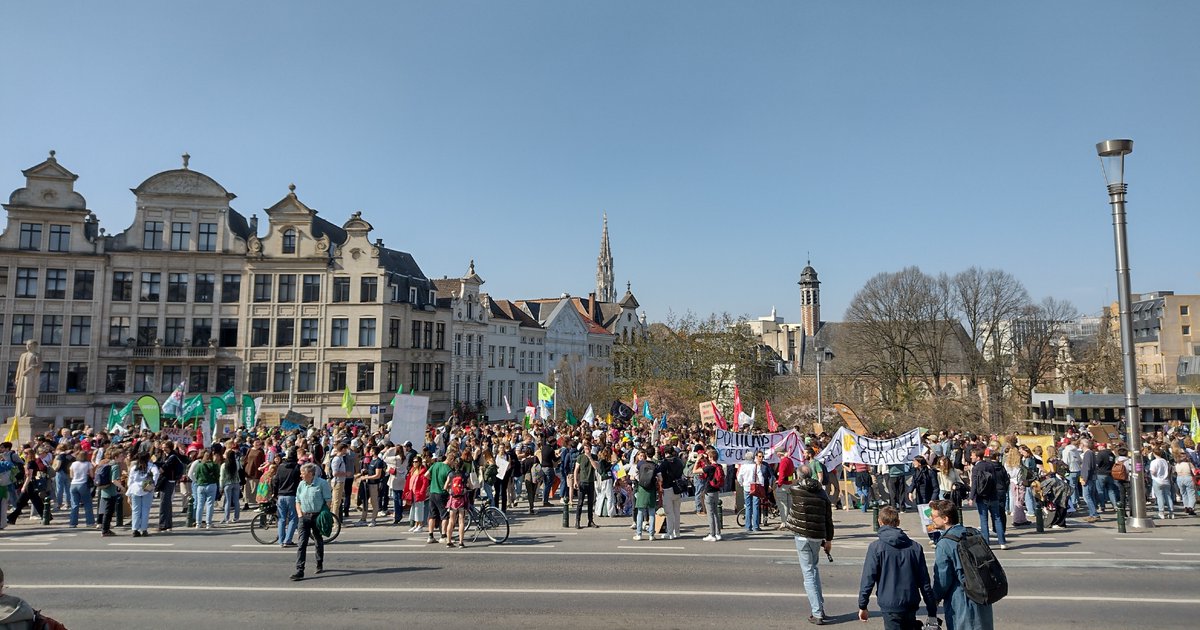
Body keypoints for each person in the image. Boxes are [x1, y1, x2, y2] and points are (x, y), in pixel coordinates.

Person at [858, 506, 937, 629]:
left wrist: (863, 605)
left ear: (880, 522)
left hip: (889, 604)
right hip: (910, 601)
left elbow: (868, 579)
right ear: (898, 522)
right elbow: (924, 582)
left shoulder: (876, 547)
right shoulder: (915, 547)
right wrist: (932, 610)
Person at [929, 500, 995, 630]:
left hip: (961, 600)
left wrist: (935, 598)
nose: (931, 519)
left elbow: (942, 579)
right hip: (982, 595)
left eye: (933, 516)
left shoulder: (944, 544)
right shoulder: (973, 532)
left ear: (945, 519)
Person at [784, 464, 834, 625]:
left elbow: (788, 484)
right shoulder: (821, 492)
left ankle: (817, 612)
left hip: (801, 535)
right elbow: (828, 518)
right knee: (814, 570)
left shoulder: (795, 489)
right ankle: (820, 608)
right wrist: (829, 539)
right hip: (817, 536)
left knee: (808, 574)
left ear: (798, 477)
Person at [291, 462, 332, 581]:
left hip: (317, 516)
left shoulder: (322, 483)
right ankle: (300, 570)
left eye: (302, 473)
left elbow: (328, 500)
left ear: (310, 473)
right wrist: (300, 514)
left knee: (318, 539)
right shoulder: (301, 484)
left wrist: (323, 514)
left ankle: (319, 562)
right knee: (301, 543)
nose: (301, 475)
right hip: (304, 516)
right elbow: (297, 500)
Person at [969, 448, 1008, 551]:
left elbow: (974, 484)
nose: (971, 457)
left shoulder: (976, 468)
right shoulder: (990, 465)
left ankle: (986, 543)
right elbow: (994, 480)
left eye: (973, 455)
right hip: (993, 495)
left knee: (984, 520)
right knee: (997, 519)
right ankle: (1002, 542)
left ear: (978, 457)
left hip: (982, 497)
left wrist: (971, 497)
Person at [126, 451, 159, 538]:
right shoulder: (151, 466)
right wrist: (153, 483)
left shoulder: (134, 467)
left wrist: (129, 491)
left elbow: (130, 480)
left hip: (135, 488)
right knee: (145, 510)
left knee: (135, 510)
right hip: (147, 488)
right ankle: (144, 529)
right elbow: (156, 473)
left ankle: (135, 529)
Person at [272, 449, 302, 547]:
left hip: (281, 495)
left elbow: (275, 481)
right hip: (292, 495)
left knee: (281, 519)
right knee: (293, 518)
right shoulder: (297, 467)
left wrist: (275, 493)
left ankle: (281, 540)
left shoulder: (281, 467)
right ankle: (288, 540)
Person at [694, 445, 724, 542]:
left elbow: (694, 471)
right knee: (715, 513)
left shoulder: (709, 468)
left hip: (709, 491)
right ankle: (718, 533)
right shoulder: (719, 466)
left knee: (710, 514)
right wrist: (706, 461)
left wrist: (697, 460)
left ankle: (712, 534)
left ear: (711, 457)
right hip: (716, 491)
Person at [657, 446, 684, 539]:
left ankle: (670, 532)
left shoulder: (664, 463)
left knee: (669, 512)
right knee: (677, 511)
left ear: (665, 453)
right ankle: (677, 532)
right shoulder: (678, 461)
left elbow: (660, 476)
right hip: (677, 488)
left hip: (667, 488)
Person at [573, 437, 599, 529]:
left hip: (591, 482)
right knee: (580, 503)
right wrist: (575, 481)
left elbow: (596, 467)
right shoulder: (580, 457)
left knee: (590, 503)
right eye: (585, 448)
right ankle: (577, 521)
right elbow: (576, 469)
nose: (587, 450)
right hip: (582, 482)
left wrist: (590, 457)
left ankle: (590, 521)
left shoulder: (594, 457)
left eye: (588, 448)